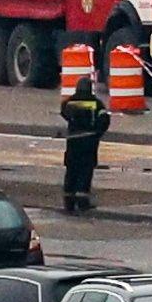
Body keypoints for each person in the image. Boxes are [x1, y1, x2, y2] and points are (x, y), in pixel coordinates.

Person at [55, 28, 108, 212]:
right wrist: (97, 133)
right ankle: (82, 202)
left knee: (71, 172)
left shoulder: (71, 102)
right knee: (85, 173)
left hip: (73, 142)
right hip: (88, 143)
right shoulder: (96, 103)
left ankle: (68, 202)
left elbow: (63, 111)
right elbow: (104, 120)